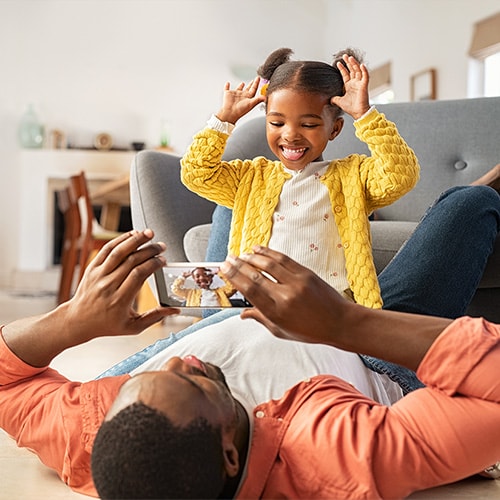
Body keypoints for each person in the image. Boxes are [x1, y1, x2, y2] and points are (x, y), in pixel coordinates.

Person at [1, 228, 500, 499]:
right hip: (367, 354)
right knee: (467, 208)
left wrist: (73, 321)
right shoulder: (346, 457)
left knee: (239, 192)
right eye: (193, 383)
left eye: (153, 376)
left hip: (233, 322)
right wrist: (347, 322)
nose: (184, 359)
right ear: (230, 456)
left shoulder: (95, 439)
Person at [181, 48, 420, 308]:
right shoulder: (251, 178)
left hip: (329, 312)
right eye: (276, 123)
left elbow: (400, 174)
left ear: (335, 129)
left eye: (308, 125)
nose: (290, 135)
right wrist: (223, 120)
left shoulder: (352, 177)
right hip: (257, 309)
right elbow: (197, 173)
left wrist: (365, 116)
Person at [170, 266, 236, 307]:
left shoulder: (220, 292)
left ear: (210, 278)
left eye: (205, 275)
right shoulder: (190, 293)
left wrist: (220, 274)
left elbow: (233, 287)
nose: (201, 278)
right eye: (197, 276)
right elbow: (175, 289)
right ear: (194, 279)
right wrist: (183, 277)